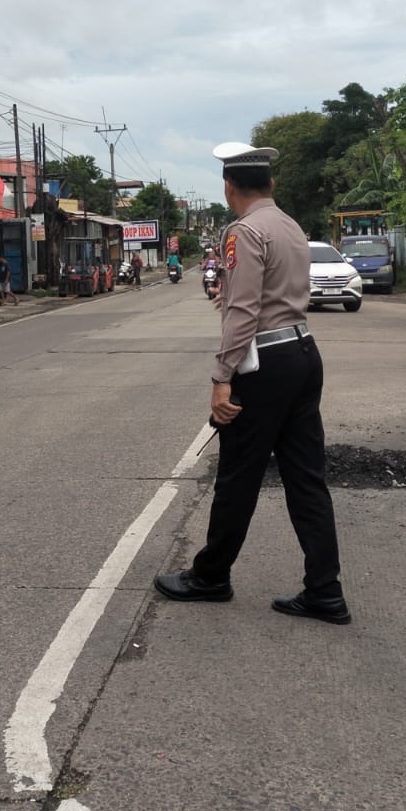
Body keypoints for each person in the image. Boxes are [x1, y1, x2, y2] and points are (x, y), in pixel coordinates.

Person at [154, 142, 350, 625]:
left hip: (266, 364)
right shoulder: (290, 225)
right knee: (306, 479)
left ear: (228, 188)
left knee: (238, 475)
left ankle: (210, 577)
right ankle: (325, 590)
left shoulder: (243, 232)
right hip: (303, 352)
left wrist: (221, 376)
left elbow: (243, 311)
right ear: (271, 183)